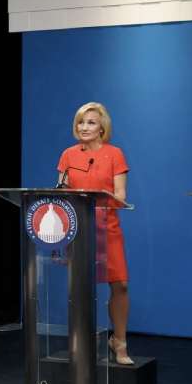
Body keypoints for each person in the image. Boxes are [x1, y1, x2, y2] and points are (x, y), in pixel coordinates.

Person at [56, 102, 132, 364]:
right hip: (78, 228)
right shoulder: (68, 155)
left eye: (90, 122)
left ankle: (119, 342)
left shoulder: (115, 154)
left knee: (120, 285)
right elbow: (61, 192)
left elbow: (121, 196)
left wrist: (103, 200)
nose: (84, 127)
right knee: (80, 287)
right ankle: (81, 341)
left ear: (102, 127)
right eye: (80, 122)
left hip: (107, 227)